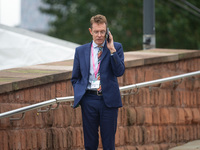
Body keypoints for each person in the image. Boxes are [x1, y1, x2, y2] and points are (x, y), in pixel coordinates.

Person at [71, 14, 125, 150]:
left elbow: (119, 72)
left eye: (102, 32)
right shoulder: (80, 51)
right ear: (91, 31)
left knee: (108, 143)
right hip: (89, 100)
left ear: (107, 32)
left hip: (109, 101)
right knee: (90, 143)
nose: (99, 35)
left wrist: (112, 50)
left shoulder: (116, 47)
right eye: (96, 32)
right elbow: (75, 77)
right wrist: (81, 96)